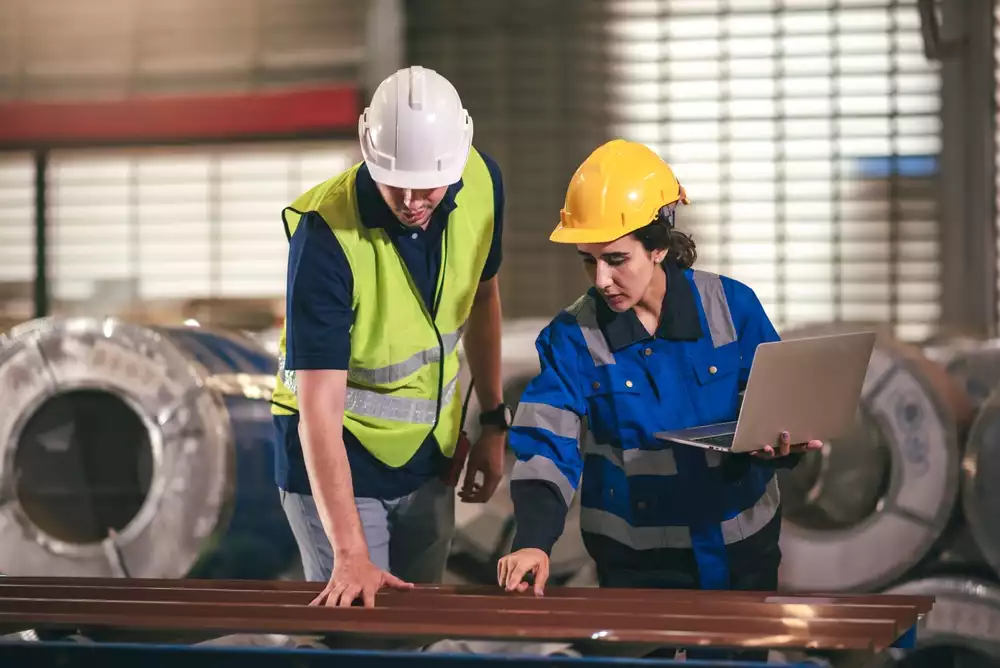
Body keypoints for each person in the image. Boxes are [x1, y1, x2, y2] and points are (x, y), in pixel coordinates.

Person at [495, 139, 822, 661]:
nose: (602, 280)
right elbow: (546, 444)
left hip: (740, 554)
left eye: (616, 259)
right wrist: (534, 539)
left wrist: (784, 445)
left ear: (659, 247)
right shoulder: (571, 337)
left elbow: (775, 409)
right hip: (635, 566)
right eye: (588, 262)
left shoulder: (732, 307)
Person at [269, 65, 512, 609]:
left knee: (415, 628)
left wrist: (494, 422)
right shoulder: (324, 235)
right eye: (392, 181)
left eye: (426, 185)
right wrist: (349, 550)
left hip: (427, 458)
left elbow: (483, 297)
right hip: (338, 458)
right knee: (352, 626)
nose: (410, 199)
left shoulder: (483, 185)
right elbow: (319, 411)